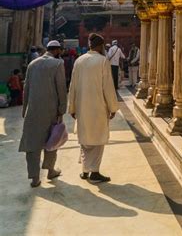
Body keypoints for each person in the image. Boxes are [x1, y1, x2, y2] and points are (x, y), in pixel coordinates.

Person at [69, 32, 118, 183]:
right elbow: (108, 87)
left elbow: (73, 86)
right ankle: (94, 172)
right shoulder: (103, 61)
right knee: (97, 139)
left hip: (82, 107)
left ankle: (85, 170)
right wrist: (113, 107)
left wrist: (72, 107)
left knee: (85, 139)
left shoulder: (79, 60)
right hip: (98, 107)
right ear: (101, 46)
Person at [19, 39, 67, 188]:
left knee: (32, 144)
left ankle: (34, 178)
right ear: (57, 50)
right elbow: (61, 88)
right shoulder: (57, 64)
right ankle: (50, 170)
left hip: (33, 110)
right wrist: (62, 109)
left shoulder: (32, 64)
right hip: (51, 110)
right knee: (51, 141)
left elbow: (26, 87)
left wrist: (24, 108)